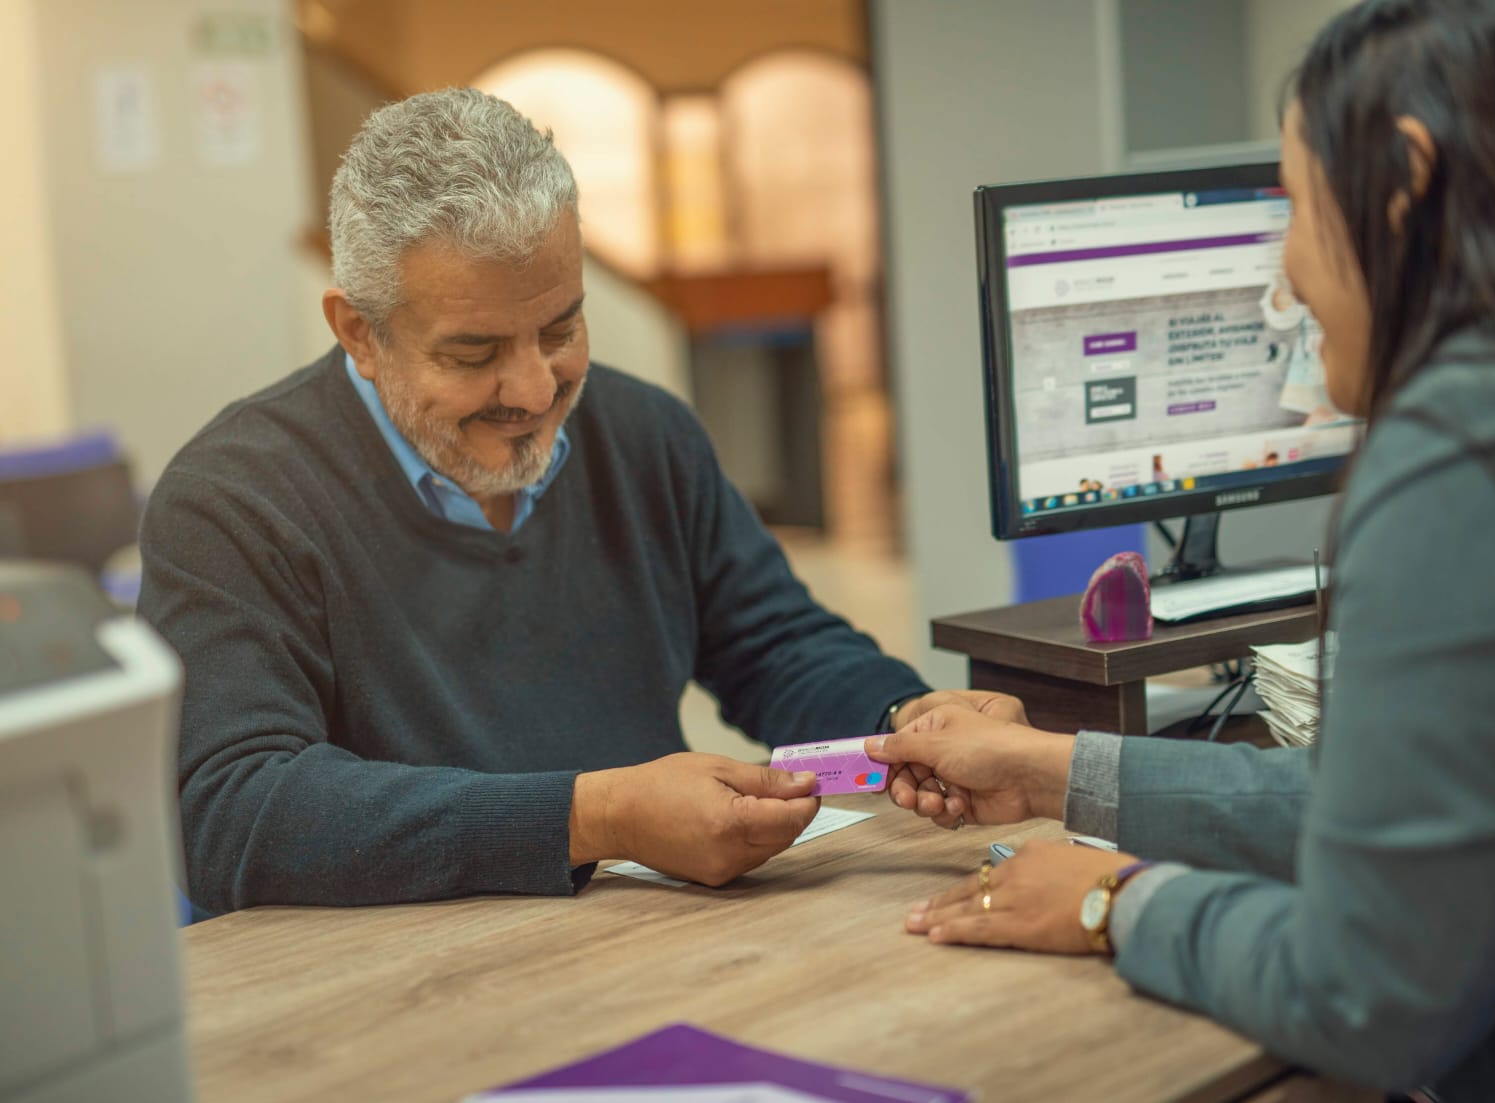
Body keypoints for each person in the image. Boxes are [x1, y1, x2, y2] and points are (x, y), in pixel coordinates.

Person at [868, 1, 1495, 1099]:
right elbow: (1388, 807)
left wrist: (1116, 899)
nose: (1289, 278)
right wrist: (1052, 768)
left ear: (1402, 177)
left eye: (1297, 208)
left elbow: (1372, 992)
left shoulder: (1476, 454)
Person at [139, 88, 1020, 916]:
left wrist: (904, 720)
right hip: (384, 996)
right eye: (473, 352)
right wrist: (593, 816)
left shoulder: (645, 434)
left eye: (560, 329)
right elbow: (232, 813)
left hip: (640, 940)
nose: (531, 388)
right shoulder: (232, 500)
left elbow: (775, 645)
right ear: (360, 333)